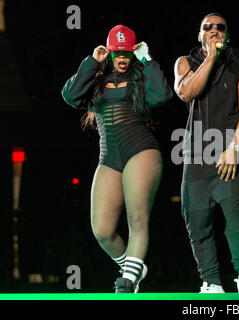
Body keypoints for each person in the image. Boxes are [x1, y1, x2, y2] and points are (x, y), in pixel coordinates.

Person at [62, 25, 173, 293]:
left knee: (137, 219)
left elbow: (162, 96)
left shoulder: (140, 76)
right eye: (117, 53)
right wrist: (91, 62)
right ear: (109, 53)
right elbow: (70, 95)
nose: (122, 58)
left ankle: (128, 280)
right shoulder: (98, 78)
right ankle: (133, 266)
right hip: (109, 157)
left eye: (126, 53)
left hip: (141, 151)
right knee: (102, 229)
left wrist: (148, 60)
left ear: (132, 52)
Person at [174, 13, 239, 293]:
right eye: (207, 27)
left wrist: (234, 148)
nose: (213, 31)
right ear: (198, 35)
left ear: (227, 34)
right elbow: (187, 93)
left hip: (229, 151)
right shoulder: (185, 63)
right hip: (196, 153)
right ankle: (211, 281)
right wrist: (210, 58)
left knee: (233, 212)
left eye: (219, 27)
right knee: (196, 217)